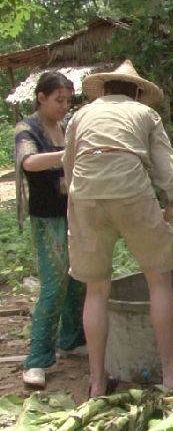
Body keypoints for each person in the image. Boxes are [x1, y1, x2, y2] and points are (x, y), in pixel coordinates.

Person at [63, 60, 173, 397]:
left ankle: (97, 382)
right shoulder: (145, 114)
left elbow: (70, 164)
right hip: (131, 190)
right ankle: (171, 372)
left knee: (96, 289)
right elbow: (167, 165)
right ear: (137, 92)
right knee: (158, 280)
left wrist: (78, 199)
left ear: (104, 90)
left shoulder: (81, 115)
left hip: (86, 194)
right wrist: (171, 202)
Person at [14, 72, 86, 388]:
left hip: (72, 212)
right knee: (54, 286)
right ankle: (38, 359)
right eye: (59, 100)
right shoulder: (27, 129)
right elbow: (28, 162)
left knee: (76, 279)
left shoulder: (65, 127)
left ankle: (70, 339)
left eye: (68, 101)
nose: (64, 106)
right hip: (46, 218)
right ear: (41, 98)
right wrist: (66, 155)